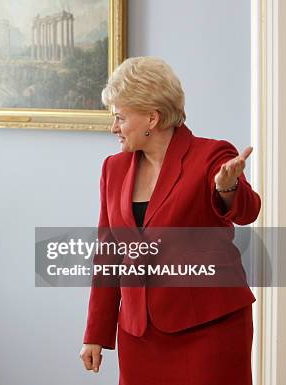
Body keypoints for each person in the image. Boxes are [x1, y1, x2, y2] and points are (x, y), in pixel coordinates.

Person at [79, 57, 261, 384]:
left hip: (209, 328)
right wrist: (95, 333)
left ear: (152, 117)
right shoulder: (113, 168)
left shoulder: (211, 155)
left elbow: (247, 211)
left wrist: (227, 187)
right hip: (140, 334)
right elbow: (108, 256)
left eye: (120, 117)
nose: (114, 128)